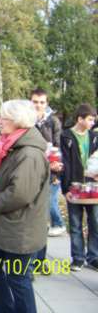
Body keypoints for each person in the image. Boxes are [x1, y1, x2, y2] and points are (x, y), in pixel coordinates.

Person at [0, 100, 49, 313]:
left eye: (4, 118)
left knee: (18, 279)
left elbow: (19, 194)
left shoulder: (28, 153)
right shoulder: (12, 146)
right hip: (6, 225)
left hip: (20, 227)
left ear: (18, 121)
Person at [61, 103, 98, 272]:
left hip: (93, 187)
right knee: (75, 223)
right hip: (74, 187)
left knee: (95, 222)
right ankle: (77, 258)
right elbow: (64, 164)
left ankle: (93, 256)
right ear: (80, 119)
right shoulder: (66, 136)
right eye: (90, 119)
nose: (93, 122)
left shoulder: (94, 137)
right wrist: (66, 189)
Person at [31, 88, 65, 237]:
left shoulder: (53, 121)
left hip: (51, 167)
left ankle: (58, 223)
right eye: (35, 102)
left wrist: (56, 166)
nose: (38, 105)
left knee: (49, 199)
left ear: (46, 103)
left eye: (42, 102)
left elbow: (57, 145)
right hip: (32, 166)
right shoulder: (27, 120)